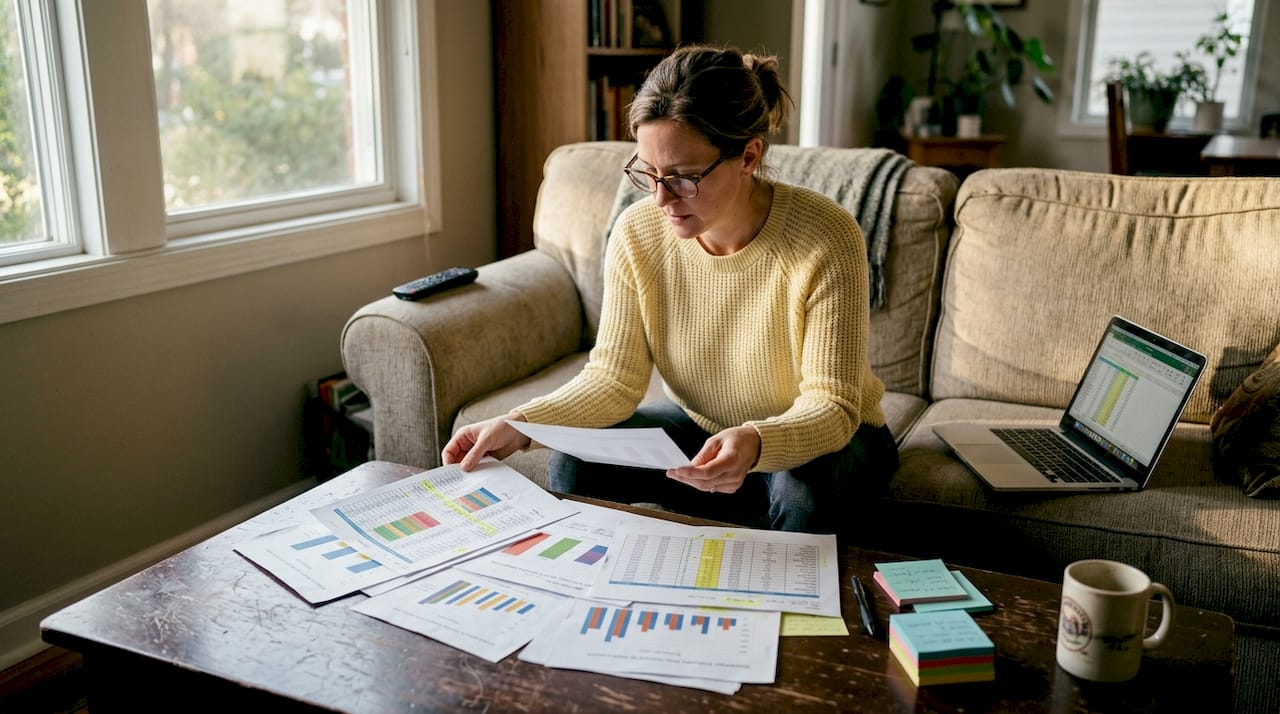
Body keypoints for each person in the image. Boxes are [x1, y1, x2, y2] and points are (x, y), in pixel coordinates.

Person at [442, 44, 898, 534]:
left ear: (748, 156)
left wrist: (758, 441)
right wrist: (522, 424)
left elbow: (833, 405)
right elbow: (614, 380)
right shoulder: (638, 233)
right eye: (649, 174)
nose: (660, 199)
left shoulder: (827, 236)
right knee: (572, 463)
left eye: (682, 178)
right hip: (705, 431)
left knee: (799, 490)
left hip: (832, 442)